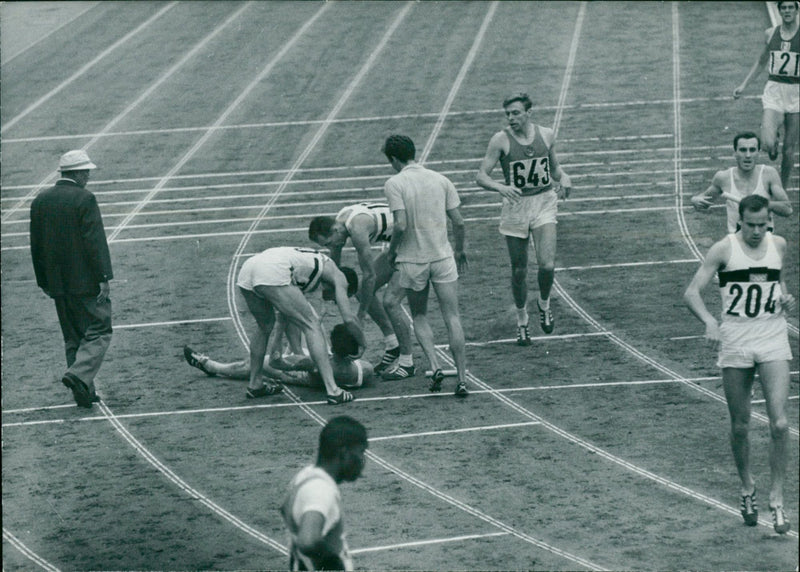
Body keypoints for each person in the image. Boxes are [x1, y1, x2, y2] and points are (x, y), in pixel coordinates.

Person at [683, 195, 795, 535]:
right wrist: (709, 322)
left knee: (779, 423)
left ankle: (777, 499)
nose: (758, 231)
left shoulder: (779, 244)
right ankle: (747, 486)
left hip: (773, 335)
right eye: (752, 225)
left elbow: (777, 280)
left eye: (763, 225)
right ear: (740, 222)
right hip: (736, 339)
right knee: (741, 424)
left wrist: (785, 297)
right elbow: (691, 292)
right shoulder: (724, 249)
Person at [476, 92, 572, 345]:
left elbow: (555, 168)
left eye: (516, 113)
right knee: (519, 270)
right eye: (508, 114)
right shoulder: (500, 140)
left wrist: (565, 178)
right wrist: (501, 187)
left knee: (547, 264)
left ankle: (544, 303)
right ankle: (522, 321)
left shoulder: (547, 134)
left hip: (543, 202)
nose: (511, 118)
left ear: (529, 113)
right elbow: (481, 175)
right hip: (516, 207)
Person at [382, 134, 469, 397]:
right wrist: (460, 249)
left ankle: (434, 364)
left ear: (395, 159)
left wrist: (392, 251)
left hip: (412, 260)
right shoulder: (441, 179)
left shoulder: (395, 183)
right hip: (442, 258)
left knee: (419, 315)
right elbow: (459, 222)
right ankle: (463, 378)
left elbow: (399, 224)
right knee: (452, 316)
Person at [30, 150, 113, 408]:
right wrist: (103, 277)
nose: (88, 175)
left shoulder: (40, 200)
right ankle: (78, 376)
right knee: (100, 329)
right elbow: (94, 241)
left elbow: (36, 246)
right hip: (86, 282)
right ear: (76, 173)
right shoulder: (85, 199)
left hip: (58, 284)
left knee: (73, 337)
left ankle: (83, 392)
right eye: (85, 171)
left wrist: (43, 281)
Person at [236, 246, 365, 404]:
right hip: (272, 268)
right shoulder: (340, 277)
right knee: (312, 324)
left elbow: (288, 316)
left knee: (264, 326)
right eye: (338, 297)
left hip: (250, 267)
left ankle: (255, 384)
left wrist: (298, 352)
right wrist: (363, 344)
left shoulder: (307, 272)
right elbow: (349, 319)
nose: (334, 300)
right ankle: (333, 390)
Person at [309, 203, 415, 380]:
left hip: (415, 244)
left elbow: (370, 275)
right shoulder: (339, 225)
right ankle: (392, 344)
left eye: (328, 243)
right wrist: (331, 292)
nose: (330, 246)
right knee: (360, 291)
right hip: (398, 246)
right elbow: (334, 267)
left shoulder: (357, 228)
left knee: (390, 302)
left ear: (335, 230)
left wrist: (361, 315)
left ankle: (407, 362)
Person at [281, 415, 367, 570]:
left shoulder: (304, 476)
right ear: (344, 453)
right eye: (360, 452)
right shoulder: (320, 490)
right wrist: (333, 563)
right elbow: (308, 540)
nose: (362, 460)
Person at [184, 323, 375, 390]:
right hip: (325, 364)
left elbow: (278, 362)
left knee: (256, 364)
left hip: (300, 374)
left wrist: (280, 326)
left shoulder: (317, 363)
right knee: (302, 320)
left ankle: (211, 366)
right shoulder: (366, 369)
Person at [733, 0, 799, 188]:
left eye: (790, 8)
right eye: (783, 8)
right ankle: (773, 139)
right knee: (767, 143)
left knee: (788, 151)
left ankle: (783, 188)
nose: (787, 11)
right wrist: (743, 85)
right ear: (779, 11)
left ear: (796, 11)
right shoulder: (771, 34)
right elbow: (761, 61)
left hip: (796, 93)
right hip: (775, 90)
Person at [690, 132, 792, 233]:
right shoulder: (723, 177)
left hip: (764, 240)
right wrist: (694, 200)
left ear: (758, 153)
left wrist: (761, 204)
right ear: (735, 153)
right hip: (736, 242)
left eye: (752, 150)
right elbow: (704, 202)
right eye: (743, 150)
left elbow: (787, 209)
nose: (748, 155)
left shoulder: (769, 174)